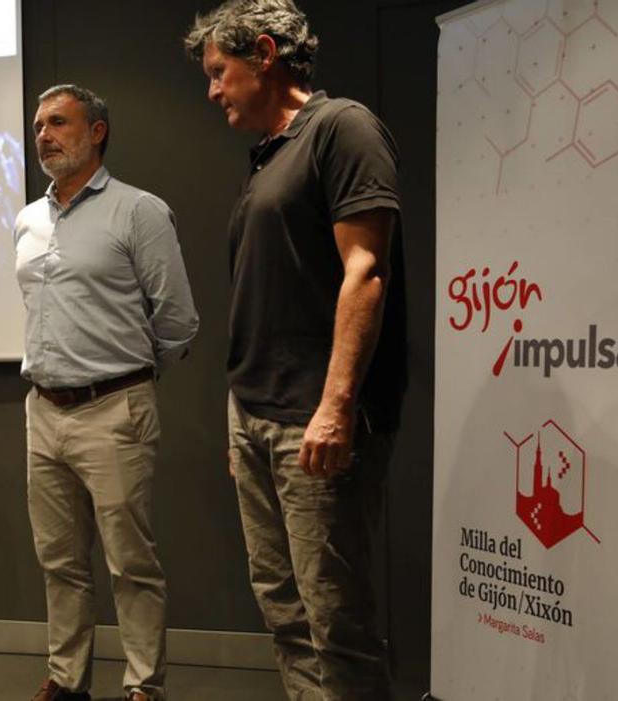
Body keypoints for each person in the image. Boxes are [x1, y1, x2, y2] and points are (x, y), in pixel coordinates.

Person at [185, 2, 407, 699]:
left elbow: (365, 273)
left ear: (266, 53)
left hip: (314, 419)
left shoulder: (342, 128)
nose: (214, 90)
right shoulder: (271, 154)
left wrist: (337, 407)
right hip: (255, 414)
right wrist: (240, 414)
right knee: (284, 612)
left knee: (335, 619)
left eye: (221, 72)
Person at [15, 85, 199, 701]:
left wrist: (128, 381)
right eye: (39, 124)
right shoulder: (28, 218)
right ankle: (68, 681)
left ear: (96, 132)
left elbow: (177, 321)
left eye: (58, 122)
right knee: (59, 562)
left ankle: (144, 686)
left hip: (115, 408)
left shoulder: (139, 211)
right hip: (43, 411)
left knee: (130, 564)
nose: (44, 134)